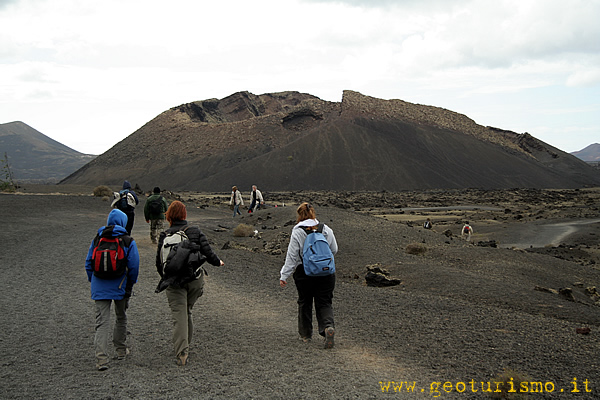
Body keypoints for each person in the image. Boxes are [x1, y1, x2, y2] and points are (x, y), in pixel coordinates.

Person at [155, 201, 225, 366]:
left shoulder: (165, 235)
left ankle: (182, 353)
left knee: (179, 314)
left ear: (169, 216)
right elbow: (208, 253)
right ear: (184, 215)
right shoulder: (195, 231)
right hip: (194, 280)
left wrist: (167, 277)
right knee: (187, 311)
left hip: (174, 282)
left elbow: (159, 262)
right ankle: (185, 345)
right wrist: (218, 262)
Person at [85, 209, 140, 371]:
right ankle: (120, 350)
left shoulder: (97, 239)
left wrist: (93, 280)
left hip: (99, 284)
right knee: (121, 316)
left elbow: (89, 262)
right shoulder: (128, 241)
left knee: (102, 321)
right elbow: (134, 265)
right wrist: (130, 283)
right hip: (120, 285)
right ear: (123, 222)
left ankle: (101, 359)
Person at [279, 202, 338, 348]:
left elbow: (292, 256)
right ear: (313, 213)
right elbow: (334, 249)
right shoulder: (325, 229)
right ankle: (327, 327)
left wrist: (284, 275)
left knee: (305, 302)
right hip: (326, 272)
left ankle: (305, 335)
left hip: (304, 272)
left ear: (300, 215)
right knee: (324, 301)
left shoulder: (298, 231)